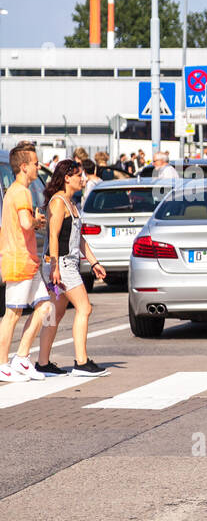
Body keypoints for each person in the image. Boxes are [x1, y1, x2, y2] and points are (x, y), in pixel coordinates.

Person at [35, 160, 108, 377]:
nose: (83, 179)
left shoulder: (70, 202)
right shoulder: (58, 202)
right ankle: (82, 362)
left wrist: (94, 262)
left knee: (53, 315)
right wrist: (55, 267)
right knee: (84, 308)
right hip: (61, 264)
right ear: (67, 177)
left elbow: (79, 238)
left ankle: (43, 363)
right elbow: (54, 237)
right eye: (79, 175)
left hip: (64, 263)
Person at [0, 144, 55, 381]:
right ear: (24, 167)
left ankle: (21, 358)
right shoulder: (21, 191)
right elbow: (24, 223)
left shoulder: (16, 191)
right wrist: (36, 221)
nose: (38, 166)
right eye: (34, 163)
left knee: (44, 306)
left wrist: (34, 220)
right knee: (13, 313)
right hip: (19, 258)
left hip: (27, 259)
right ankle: (2, 364)